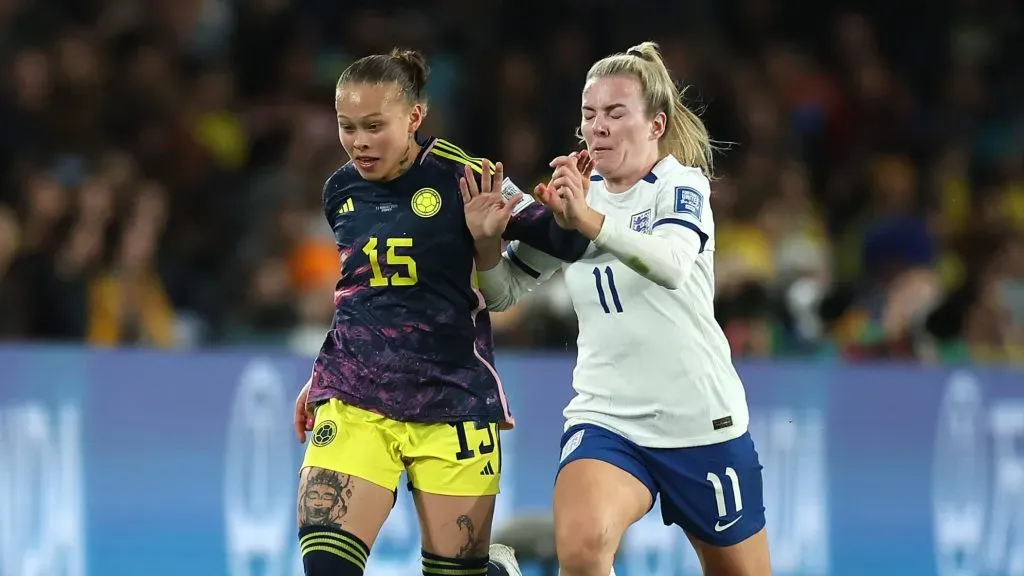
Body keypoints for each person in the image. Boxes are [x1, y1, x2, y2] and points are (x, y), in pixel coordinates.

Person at [465, 42, 772, 576]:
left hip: (701, 422)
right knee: (582, 552)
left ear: (656, 125)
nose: (597, 126)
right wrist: (487, 244)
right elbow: (502, 293)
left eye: (614, 113)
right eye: (589, 115)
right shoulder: (575, 198)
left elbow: (673, 263)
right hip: (607, 418)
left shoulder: (680, 186)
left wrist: (585, 221)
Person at [291, 48, 590, 576]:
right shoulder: (339, 191)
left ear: (414, 117)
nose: (359, 142)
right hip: (355, 396)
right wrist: (320, 376)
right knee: (325, 568)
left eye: (374, 126)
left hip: (451, 401)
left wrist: (569, 212)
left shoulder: (464, 176)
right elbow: (358, 292)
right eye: (347, 127)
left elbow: (558, 240)